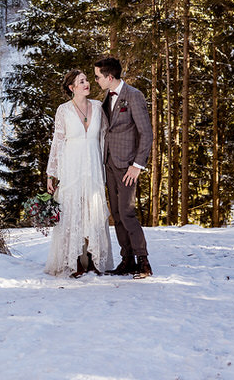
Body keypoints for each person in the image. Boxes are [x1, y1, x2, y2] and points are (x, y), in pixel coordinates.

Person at [44, 69, 114, 277]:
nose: (86, 84)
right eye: (81, 81)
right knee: (72, 210)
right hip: (71, 167)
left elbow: (104, 139)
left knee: (93, 211)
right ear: (71, 88)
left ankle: (93, 259)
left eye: (86, 80)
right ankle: (75, 260)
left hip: (93, 166)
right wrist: (51, 174)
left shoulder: (98, 107)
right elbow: (57, 143)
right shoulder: (63, 110)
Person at [94, 55, 153, 278]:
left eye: (98, 76)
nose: (96, 80)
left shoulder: (134, 96)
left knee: (128, 213)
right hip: (109, 164)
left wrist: (137, 165)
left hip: (128, 166)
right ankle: (127, 260)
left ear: (110, 77)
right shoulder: (106, 98)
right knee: (117, 214)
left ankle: (144, 262)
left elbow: (146, 133)